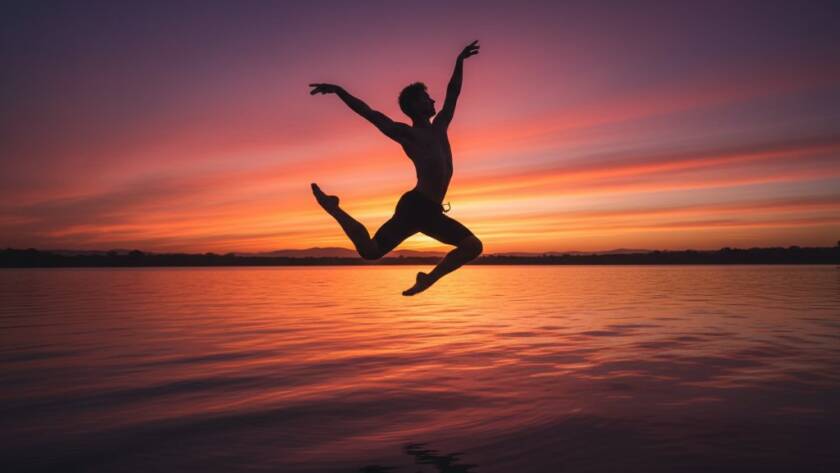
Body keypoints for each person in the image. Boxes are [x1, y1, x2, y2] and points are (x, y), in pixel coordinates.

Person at [310, 40, 483, 296]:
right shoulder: (407, 134)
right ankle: (334, 209)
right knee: (371, 252)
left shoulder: (441, 125)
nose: (433, 100)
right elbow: (369, 113)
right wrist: (339, 90)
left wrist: (459, 61)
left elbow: (453, 92)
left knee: (470, 246)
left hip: (431, 211)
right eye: (426, 98)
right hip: (416, 207)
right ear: (414, 106)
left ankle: (426, 278)